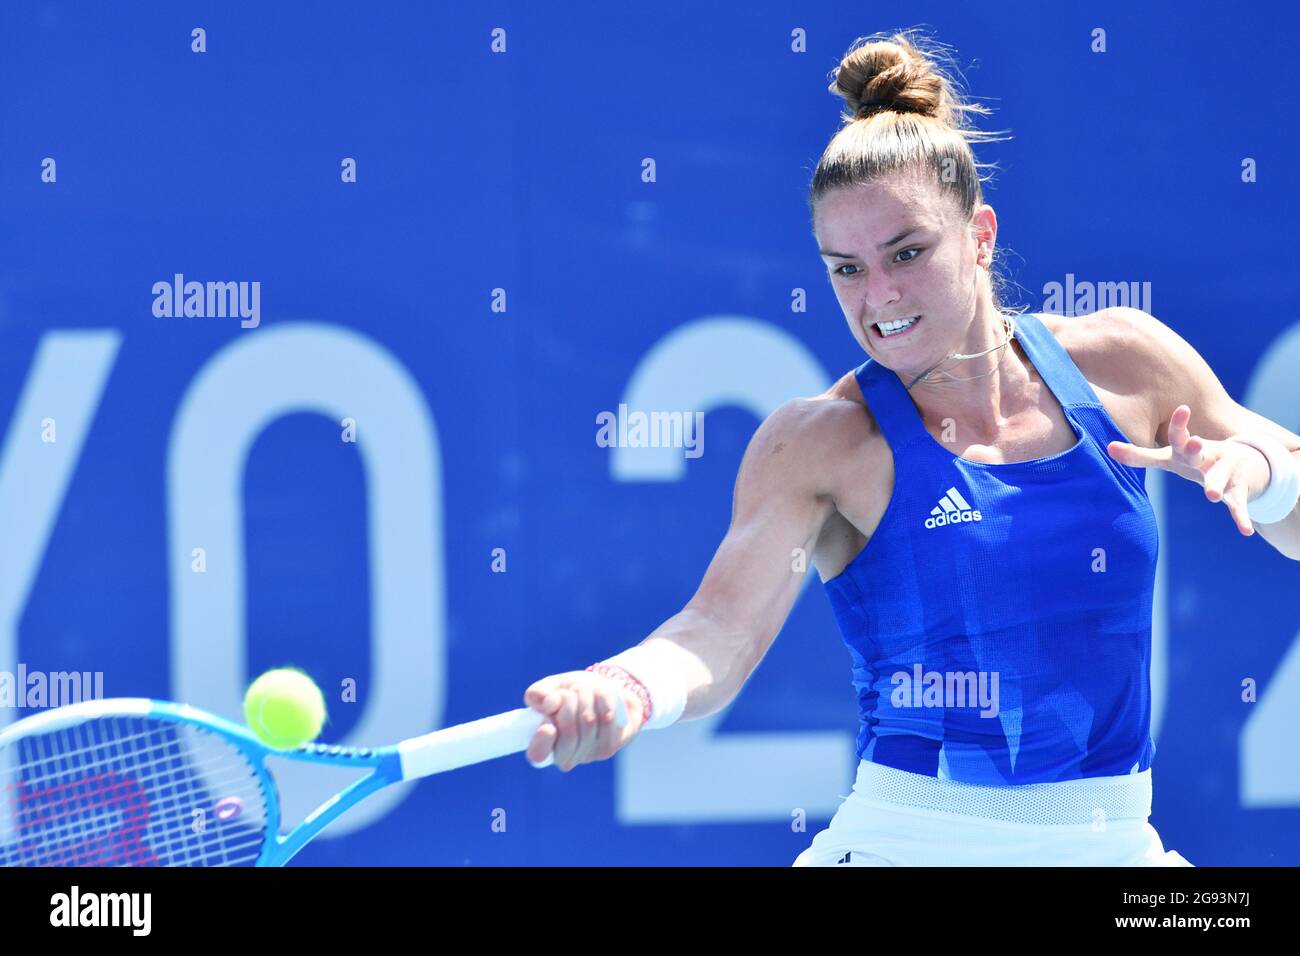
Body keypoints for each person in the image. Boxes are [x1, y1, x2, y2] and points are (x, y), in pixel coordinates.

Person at [522, 29, 1300, 865]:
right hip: (907, 844)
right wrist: (629, 685)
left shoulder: (1128, 361)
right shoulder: (819, 441)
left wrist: (1257, 476)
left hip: (1116, 844)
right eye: (845, 269)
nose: (879, 296)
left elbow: (1282, 474)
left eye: (907, 252)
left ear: (980, 234)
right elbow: (718, 630)